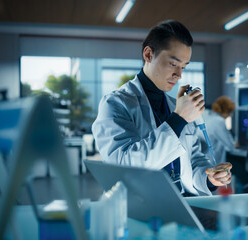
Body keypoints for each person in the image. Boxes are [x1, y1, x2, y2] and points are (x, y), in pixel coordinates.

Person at [92, 20, 232, 196]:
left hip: (182, 202)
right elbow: (124, 167)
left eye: (183, 67)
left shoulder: (176, 105)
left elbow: (193, 160)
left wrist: (209, 179)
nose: (179, 75)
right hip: (143, 206)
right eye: (173, 64)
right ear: (149, 54)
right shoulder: (115, 104)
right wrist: (178, 119)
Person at [199, 96, 238, 165]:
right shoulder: (219, 121)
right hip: (211, 162)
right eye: (230, 112)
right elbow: (230, 146)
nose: (230, 115)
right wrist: (234, 144)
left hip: (203, 160)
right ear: (227, 111)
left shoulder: (208, 116)